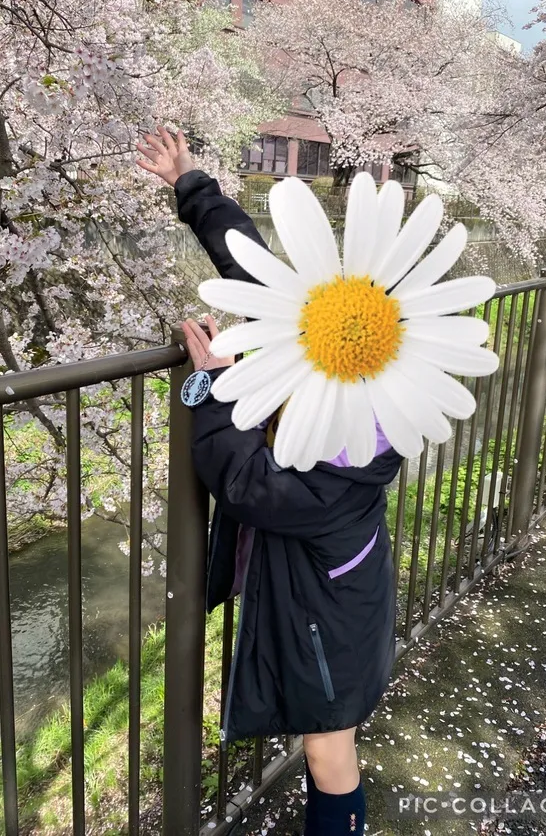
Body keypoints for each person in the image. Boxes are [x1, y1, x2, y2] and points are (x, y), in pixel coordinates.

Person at [138, 128, 403, 836]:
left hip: (332, 612)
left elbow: (247, 482)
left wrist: (215, 389)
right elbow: (250, 262)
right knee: (328, 740)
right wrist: (188, 183)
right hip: (333, 594)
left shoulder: (349, 448)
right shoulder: (335, 364)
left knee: (327, 747)